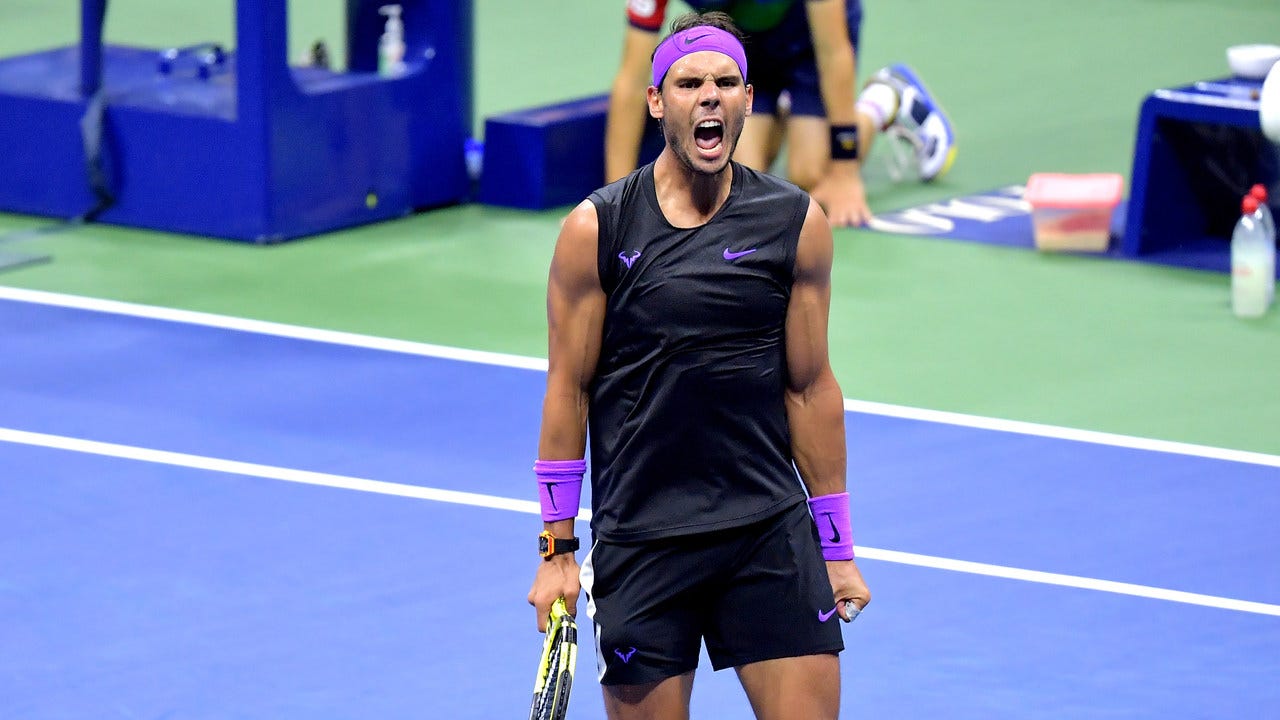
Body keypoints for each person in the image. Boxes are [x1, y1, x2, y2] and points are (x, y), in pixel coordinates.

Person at [528, 12, 871, 719]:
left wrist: (835, 545)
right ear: (658, 103)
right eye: (689, 83)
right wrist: (556, 550)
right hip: (644, 543)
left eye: (725, 82)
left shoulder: (794, 223)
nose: (708, 97)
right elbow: (568, 389)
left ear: (748, 98)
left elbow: (810, 390)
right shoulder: (597, 229)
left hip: (766, 534)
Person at [604, 0, 956, 228]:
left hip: (810, 44)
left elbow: (833, 54)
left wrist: (846, 171)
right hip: (738, 46)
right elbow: (632, 81)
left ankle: (886, 98)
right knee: (740, 181)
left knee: (812, 173)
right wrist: (616, 201)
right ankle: (789, 116)